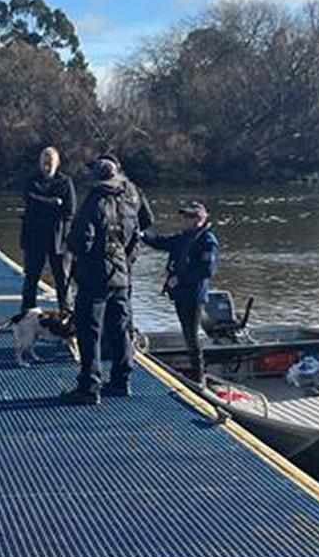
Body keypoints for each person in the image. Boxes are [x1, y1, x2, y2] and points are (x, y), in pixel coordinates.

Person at [61, 153, 153, 405]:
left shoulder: (95, 199)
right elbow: (147, 221)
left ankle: (89, 386)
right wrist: (128, 252)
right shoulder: (132, 192)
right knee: (121, 328)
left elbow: (83, 240)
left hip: (95, 275)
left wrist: (72, 250)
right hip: (122, 272)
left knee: (89, 330)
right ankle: (122, 381)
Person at [141, 201, 219, 387]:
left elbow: (207, 270)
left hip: (194, 295)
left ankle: (199, 376)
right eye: (184, 216)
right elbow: (161, 242)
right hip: (180, 295)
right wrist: (141, 235)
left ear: (199, 219)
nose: (184, 219)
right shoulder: (183, 237)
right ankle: (196, 372)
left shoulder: (208, 240)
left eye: (189, 216)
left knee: (192, 336)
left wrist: (180, 280)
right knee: (186, 333)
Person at [20, 146, 75, 313]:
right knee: (31, 277)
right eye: (44, 161)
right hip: (34, 237)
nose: (47, 164)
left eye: (50, 161)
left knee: (62, 279)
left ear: (57, 163)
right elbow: (29, 200)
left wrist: (43, 203)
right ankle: (27, 312)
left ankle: (66, 313)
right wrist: (53, 203)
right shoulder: (31, 181)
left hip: (58, 239)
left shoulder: (65, 182)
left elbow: (69, 210)